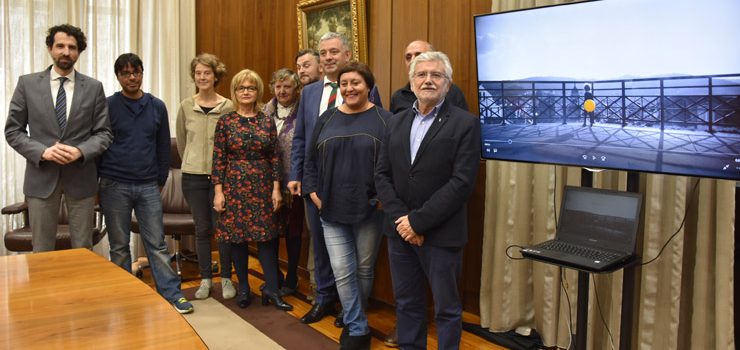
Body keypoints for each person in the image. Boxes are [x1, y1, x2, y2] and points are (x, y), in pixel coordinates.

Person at [375, 51, 481, 350]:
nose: (428, 80)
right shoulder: (394, 122)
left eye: (436, 75)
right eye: (421, 74)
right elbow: (382, 175)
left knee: (447, 309)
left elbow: (462, 183)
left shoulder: (466, 124)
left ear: (448, 83)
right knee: (407, 303)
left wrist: (417, 221)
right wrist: (403, 221)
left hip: (442, 233)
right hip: (399, 233)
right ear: (412, 82)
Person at [289, 32, 382, 326]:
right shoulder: (310, 93)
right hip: (315, 187)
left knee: (353, 256)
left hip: (355, 188)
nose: (328, 57)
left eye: (333, 52)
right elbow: (301, 138)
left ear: (347, 54)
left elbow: (376, 134)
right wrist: (299, 176)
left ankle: (349, 309)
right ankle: (324, 298)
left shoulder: (363, 89)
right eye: (323, 53)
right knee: (319, 245)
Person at [98, 53, 193, 314]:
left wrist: (160, 180)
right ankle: (124, 295)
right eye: (126, 73)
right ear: (118, 77)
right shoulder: (107, 105)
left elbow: (163, 147)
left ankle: (172, 295)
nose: (131, 77)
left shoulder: (156, 106)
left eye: (136, 72)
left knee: (157, 244)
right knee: (119, 247)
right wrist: (98, 184)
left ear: (142, 73)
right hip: (113, 184)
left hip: (148, 185)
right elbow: (100, 145)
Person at [303, 62, 389, 349]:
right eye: (344, 84)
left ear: (368, 86)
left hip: (370, 209)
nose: (350, 88)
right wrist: (313, 193)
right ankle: (357, 326)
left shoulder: (384, 120)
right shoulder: (326, 119)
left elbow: (393, 165)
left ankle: (353, 319)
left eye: (356, 83)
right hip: (331, 209)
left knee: (363, 270)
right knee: (342, 269)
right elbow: (310, 161)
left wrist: (381, 199)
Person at [5, 24, 112, 252]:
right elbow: (13, 131)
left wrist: (81, 151)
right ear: (49, 48)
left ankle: (79, 289)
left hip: (81, 179)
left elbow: (104, 133)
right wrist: (42, 151)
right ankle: (43, 290)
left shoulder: (94, 88)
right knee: (41, 250)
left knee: (83, 250)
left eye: (72, 47)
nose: (66, 52)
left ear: (79, 52)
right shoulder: (27, 84)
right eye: (60, 46)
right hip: (41, 178)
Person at [212, 69, 293, 312]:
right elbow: (218, 159)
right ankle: (244, 287)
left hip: (263, 186)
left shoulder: (266, 121)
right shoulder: (225, 122)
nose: (246, 92)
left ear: (258, 92)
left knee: (267, 238)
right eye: (241, 88)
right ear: (235, 92)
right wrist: (218, 192)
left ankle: (271, 289)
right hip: (233, 185)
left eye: (251, 88)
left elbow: (275, 157)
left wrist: (276, 189)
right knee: (238, 239)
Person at [176, 53, 236, 300]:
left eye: (207, 73)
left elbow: (233, 142)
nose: (202, 77)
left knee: (223, 230)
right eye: (198, 73)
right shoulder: (186, 106)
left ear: (216, 76)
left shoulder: (228, 107)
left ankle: (226, 279)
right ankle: (205, 280)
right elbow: (182, 141)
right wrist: (190, 161)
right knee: (202, 229)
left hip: (222, 178)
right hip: (193, 177)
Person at [262, 68, 303, 297]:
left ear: (296, 88)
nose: (282, 90)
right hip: (268, 182)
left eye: (287, 86)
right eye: (278, 86)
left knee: (293, 232)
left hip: (293, 182)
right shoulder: (265, 112)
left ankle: (292, 277)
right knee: (270, 230)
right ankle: (273, 275)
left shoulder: (302, 112)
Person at [389, 40, 468, 114]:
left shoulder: (453, 93)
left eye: (419, 55)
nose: (412, 61)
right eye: (408, 57)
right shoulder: (398, 97)